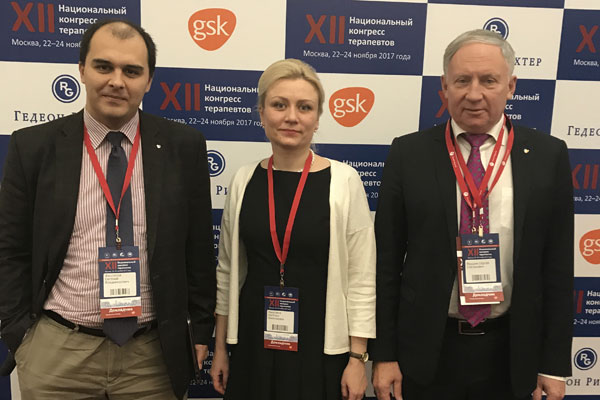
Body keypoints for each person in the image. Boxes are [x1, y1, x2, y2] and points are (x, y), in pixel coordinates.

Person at [0, 19, 215, 399]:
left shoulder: (184, 147)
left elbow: (197, 249)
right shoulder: (33, 147)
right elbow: (10, 248)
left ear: (149, 81)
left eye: (131, 71)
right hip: (57, 353)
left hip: (151, 359)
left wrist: (199, 330)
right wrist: (20, 336)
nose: (117, 81)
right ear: (82, 69)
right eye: (104, 66)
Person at [370, 29, 573, 400]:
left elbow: (558, 268)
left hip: (514, 353)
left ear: (511, 86)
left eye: (489, 80)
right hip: (426, 353)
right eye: (462, 80)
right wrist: (384, 355)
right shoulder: (408, 154)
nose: (474, 94)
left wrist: (554, 365)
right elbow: (385, 264)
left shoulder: (549, 156)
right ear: (444, 87)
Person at [209, 58, 376, 400]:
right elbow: (227, 272)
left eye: (304, 107)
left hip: (322, 347)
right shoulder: (243, 180)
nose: (291, 117)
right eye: (279, 105)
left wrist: (357, 359)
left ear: (317, 118)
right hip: (254, 342)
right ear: (261, 113)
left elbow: (362, 277)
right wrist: (222, 349)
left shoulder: (344, 181)